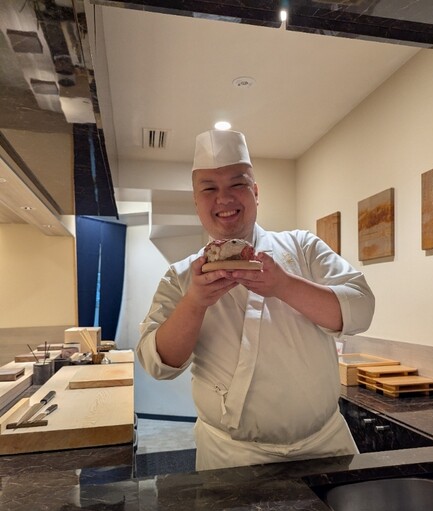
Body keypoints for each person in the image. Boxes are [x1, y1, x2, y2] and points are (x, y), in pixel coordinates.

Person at [137, 129, 375, 471]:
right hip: (230, 457)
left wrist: (284, 285)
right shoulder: (181, 277)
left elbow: (361, 307)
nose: (224, 198)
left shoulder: (302, 248)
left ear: (256, 192)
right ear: (196, 201)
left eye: (237, 184)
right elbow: (157, 363)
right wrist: (195, 302)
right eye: (209, 189)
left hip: (324, 448)